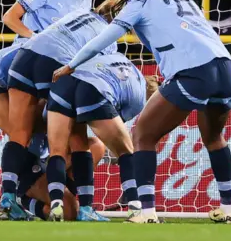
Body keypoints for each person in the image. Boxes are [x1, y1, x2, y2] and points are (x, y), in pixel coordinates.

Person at [53, 0, 231, 224]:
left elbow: (104, 38)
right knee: (214, 138)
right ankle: (229, 209)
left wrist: (71, 64)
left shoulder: (139, 1)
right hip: (226, 68)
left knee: (142, 135)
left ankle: (147, 212)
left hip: (194, 71)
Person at [0, 43, 106, 221]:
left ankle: (61, 197)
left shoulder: (75, 73)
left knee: (95, 146)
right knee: (23, 133)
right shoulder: (49, 65)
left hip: (49, 156)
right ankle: (19, 196)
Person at [46, 52, 153, 221]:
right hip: (93, 88)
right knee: (127, 151)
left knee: (60, 150)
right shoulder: (139, 100)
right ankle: (135, 209)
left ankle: (56, 206)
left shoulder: (122, 62)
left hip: (64, 83)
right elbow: (114, 128)